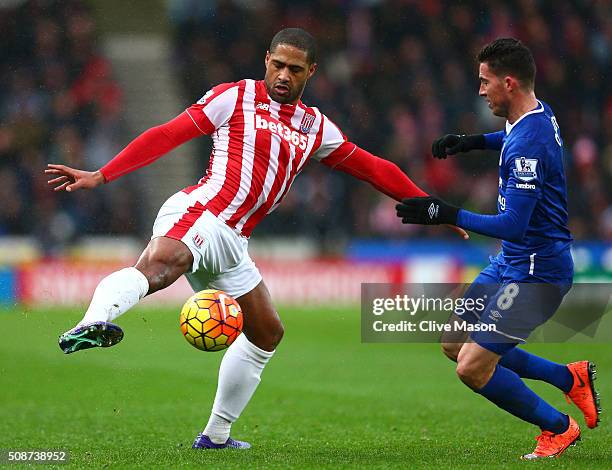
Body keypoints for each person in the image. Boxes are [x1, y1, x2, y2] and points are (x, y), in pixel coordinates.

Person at [46, 28, 467, 450]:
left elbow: (375, 169)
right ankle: (91, 323)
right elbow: (169, 133)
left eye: (295, 69)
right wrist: (103, 173)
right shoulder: (234, 96)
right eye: (278, 64)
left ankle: (216, 436)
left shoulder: (316, 127)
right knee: (159, 267)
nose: (284, 75)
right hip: (204, 212)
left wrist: (435, 209)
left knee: (266, 332)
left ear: (311, 72)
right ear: (266, 59)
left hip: (234, 242)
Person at [396, 38, 600, 460]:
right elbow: (508, 137)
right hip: (511, 261)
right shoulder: (534, 116)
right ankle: (569, 378)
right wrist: (470, 142)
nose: (480, 90)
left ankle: (559, 428)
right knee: (454, 339)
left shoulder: (529, 144)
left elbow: (512, 224)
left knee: (472, 367)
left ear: (509, 83)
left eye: (485, 82)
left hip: (536, 275)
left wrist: (443, 211)